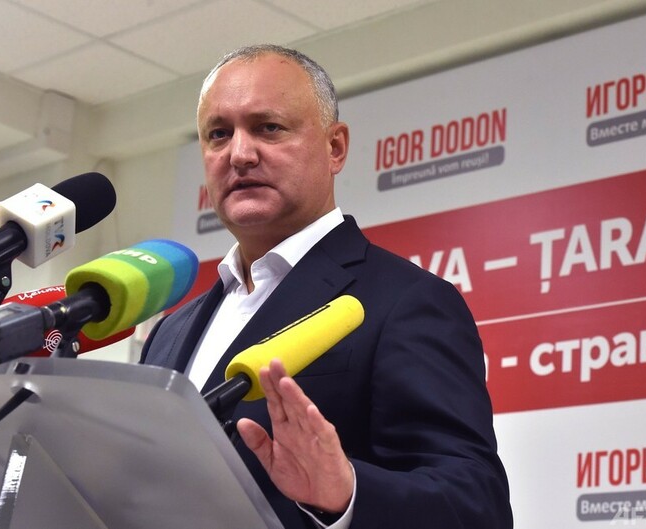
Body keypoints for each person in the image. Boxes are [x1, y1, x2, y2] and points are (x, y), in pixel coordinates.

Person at [141, 44, 513, 529]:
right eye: (218, 134)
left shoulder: (406, 302)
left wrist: (345, 494)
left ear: (335, 147)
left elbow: (476, 506)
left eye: (268, 127)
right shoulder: (169, 331)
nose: (240, 154)